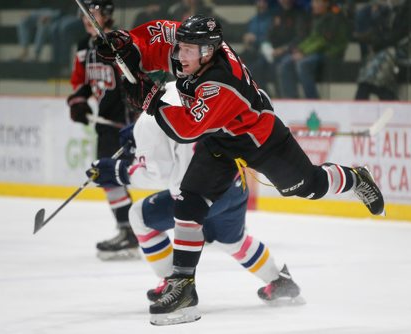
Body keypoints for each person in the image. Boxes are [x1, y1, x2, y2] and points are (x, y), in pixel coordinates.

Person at [93, 14, 385, 324]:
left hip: (259, 138)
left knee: (307, 185)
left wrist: (150, 99)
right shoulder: (197, 49)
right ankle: (183, 284)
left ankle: (355, 178)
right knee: (189, 200)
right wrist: (127, 43)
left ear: (208, 52)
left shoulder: (222, 82)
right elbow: (158, 37)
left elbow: (185, 129)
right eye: (182, 47)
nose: (181, 55)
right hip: (220, 139)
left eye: (189, 51)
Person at [88, 83, 304, 325]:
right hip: (234, 182)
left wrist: (121, 171)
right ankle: (279, 280)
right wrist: (141, 147)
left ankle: (174, 285)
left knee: (139, 215)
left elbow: (158, 174)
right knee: (233, 240)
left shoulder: (147, 123)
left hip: (197, 193)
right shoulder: (188, 87)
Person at [67, 0, 138, 261]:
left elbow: (136, 80)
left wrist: (137, 118)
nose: (87, 17)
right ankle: (127, 231)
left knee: (110, 177)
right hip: (105, 124)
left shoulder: (118, 43)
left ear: (106, 15)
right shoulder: (84, 47)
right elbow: (82, 82)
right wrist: (78, 102)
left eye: (93, 12)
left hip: (125, 124)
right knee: (109, 179)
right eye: (84, 13)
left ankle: (130, 232)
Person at [277, 0, 349, 99]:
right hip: (316, 52)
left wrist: (304, 52)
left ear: (326, 4)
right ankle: (291, 99)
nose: (313, 5)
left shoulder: (333, 18)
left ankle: (313, 100)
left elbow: (323, 42)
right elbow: (312, 39)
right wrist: (299, 49)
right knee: (286, 62)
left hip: (330, 53)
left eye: (317, 2)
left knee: (303, 64)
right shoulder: (319, 18)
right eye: (313, 2)